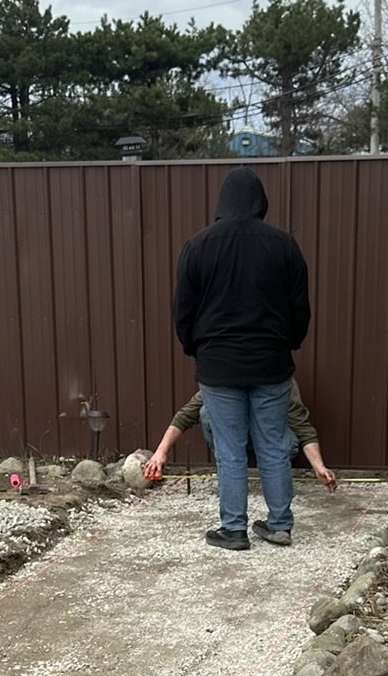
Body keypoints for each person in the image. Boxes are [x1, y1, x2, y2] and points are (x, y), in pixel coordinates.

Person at [171, 168, 312, 550]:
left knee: (230, 448)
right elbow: (300, 306)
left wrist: (195, 347)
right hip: (271, 362)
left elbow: (183, 310)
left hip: (219, 364)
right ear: (260, 201)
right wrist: (290, 342)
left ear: (222, 200)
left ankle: (233, 529)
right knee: (273, 444)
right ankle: (279, 525)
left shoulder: (198, 245)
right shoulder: (283, 245)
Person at [141, 383, 337, 492]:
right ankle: (230, 471)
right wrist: (160, 452)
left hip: (272, 438)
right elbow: (185, 416)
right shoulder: (224, 378)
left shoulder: (281, 383)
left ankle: (273, 478)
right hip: (235, 438)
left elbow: (303, 428)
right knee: (207, 412)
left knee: (289, 444)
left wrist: (318, 467)